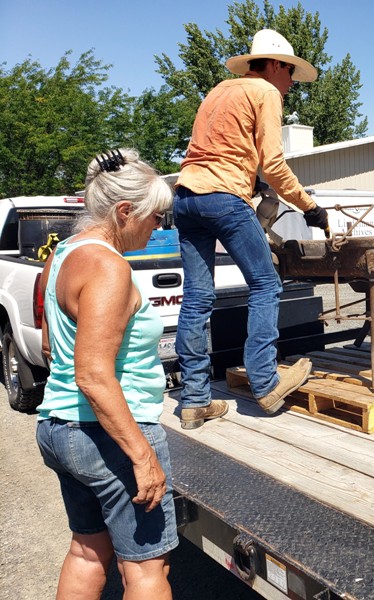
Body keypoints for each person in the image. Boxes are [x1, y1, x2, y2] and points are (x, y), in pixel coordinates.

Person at [36, 148, 177, 599]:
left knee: (86, 551)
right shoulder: (108, 267)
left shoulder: (61, 255)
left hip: (59, 426)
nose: (159, 228)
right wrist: (142, 456)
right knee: (147, 569)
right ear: (123, 211)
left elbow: (47, 344)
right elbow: (94, 375)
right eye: (155, 217)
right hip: (108, 435)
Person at [173, 29, 329, 429]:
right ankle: (265, 381)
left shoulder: (221, 89)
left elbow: (218, 148)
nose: (292, 84)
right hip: (224, 196)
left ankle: (193, 400)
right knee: (265, 284)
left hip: (187, 196)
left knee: (197, 295)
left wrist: (251, 181)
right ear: (276, 65)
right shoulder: (267, 94)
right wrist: (311, 208)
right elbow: (274, 163)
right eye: (291, 73)